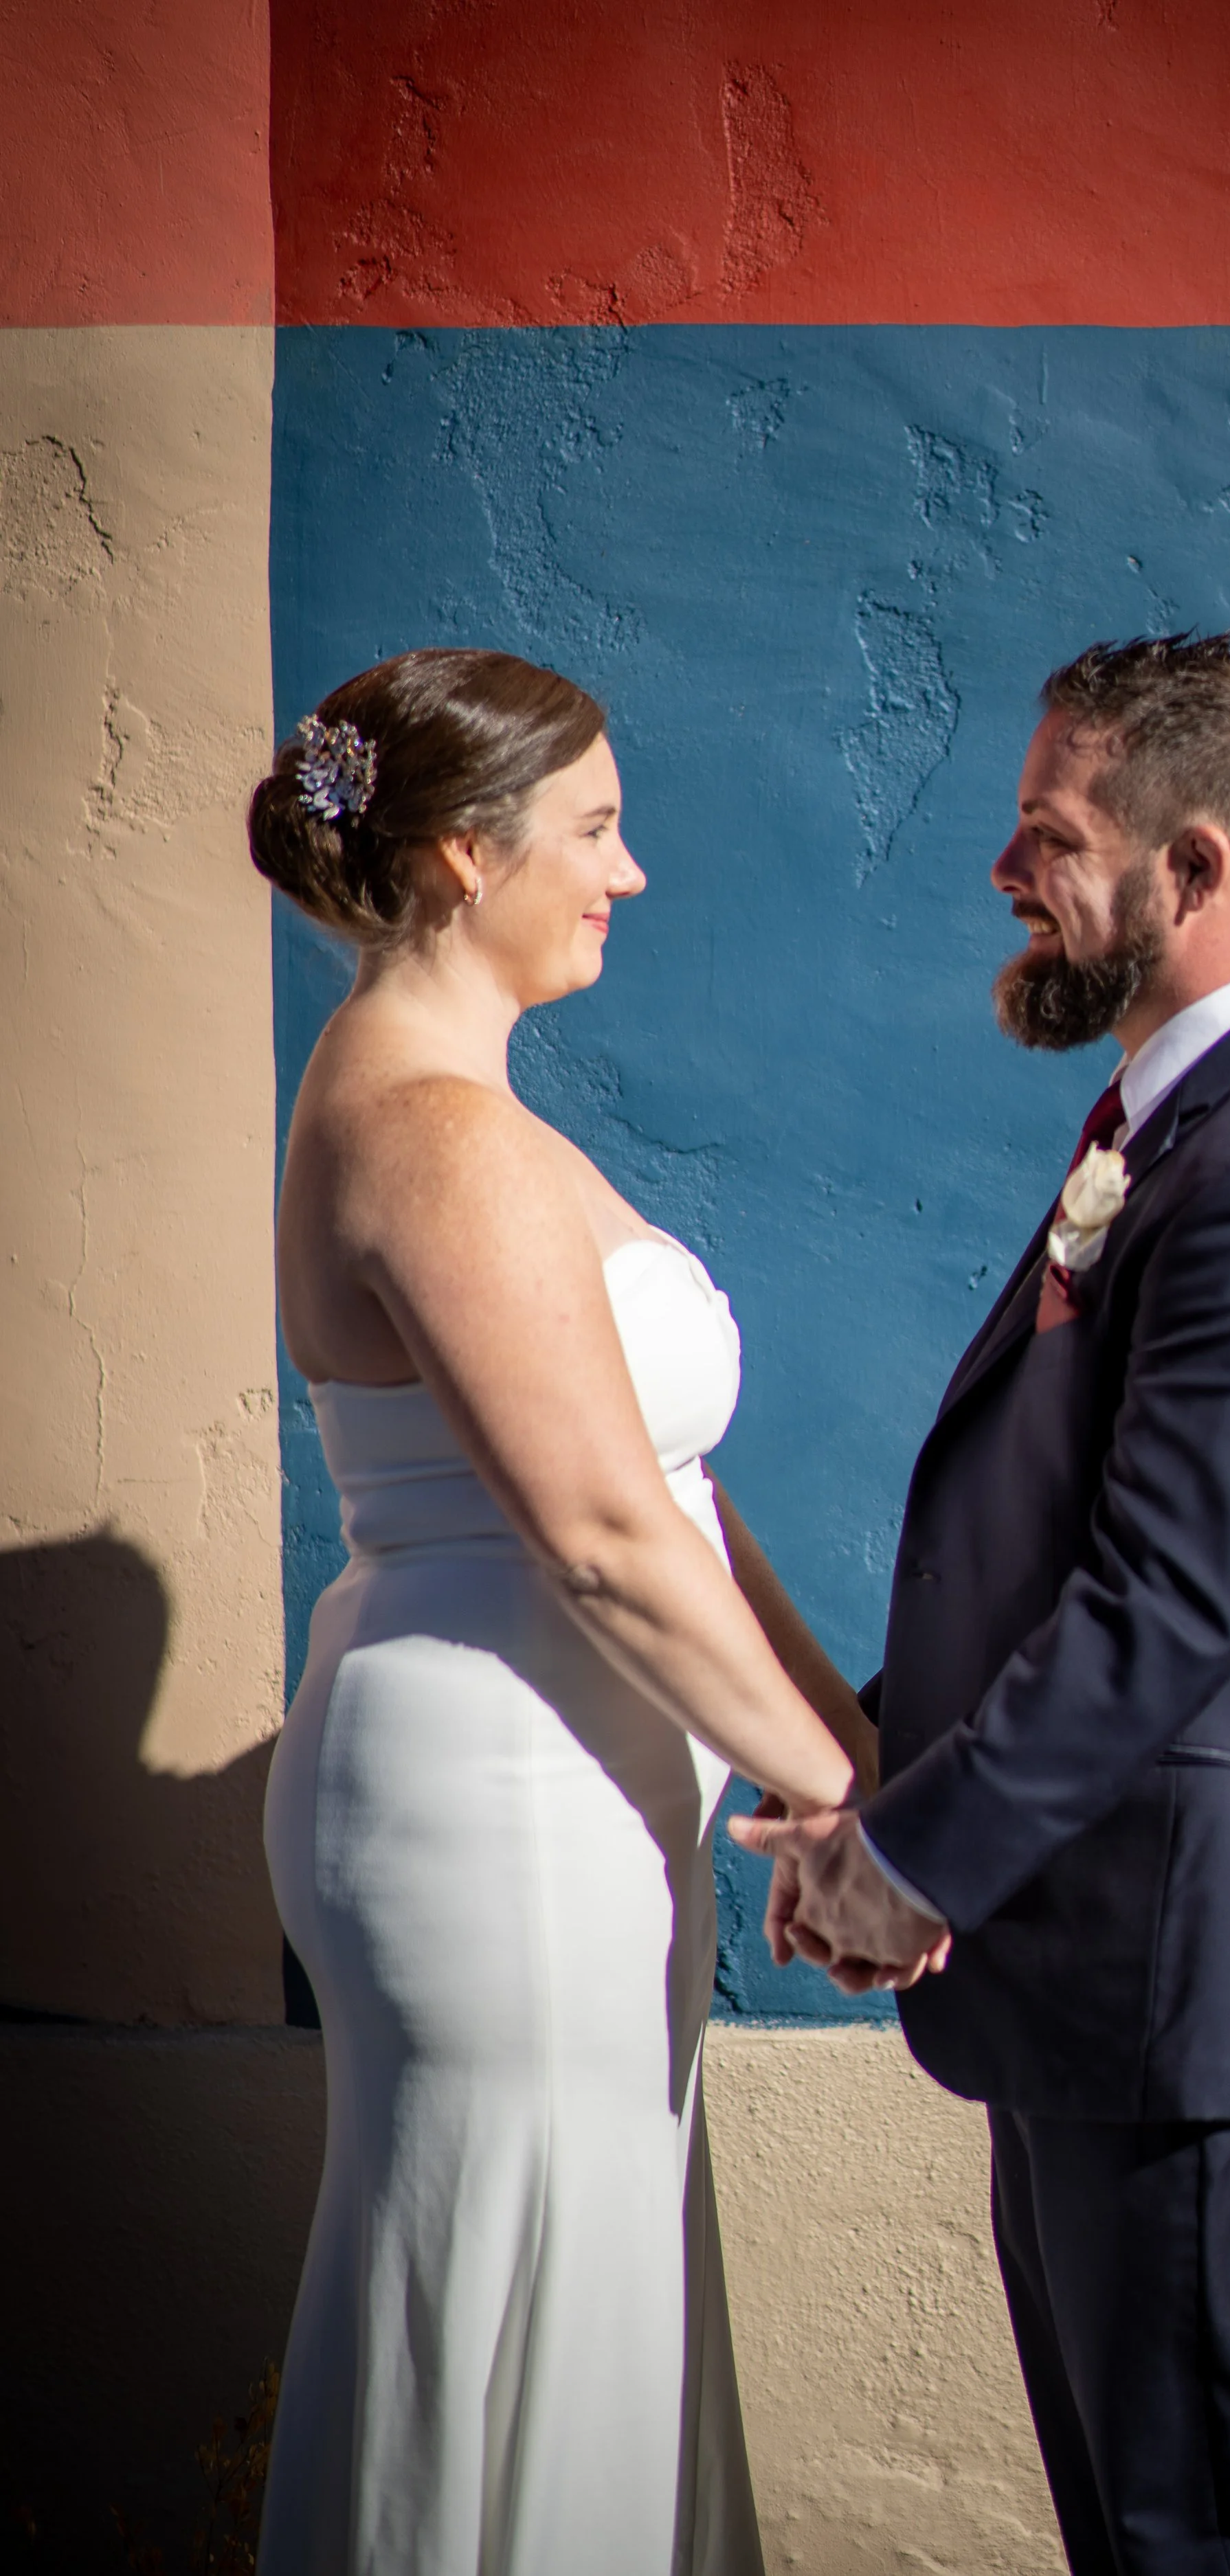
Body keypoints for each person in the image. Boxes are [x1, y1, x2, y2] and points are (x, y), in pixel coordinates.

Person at [734, 632, 1230, 2574]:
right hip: (1101, 1956)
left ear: (1193, 867)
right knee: (1144, 2527)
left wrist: (918, 1858)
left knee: (1205, 2527)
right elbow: (1063, 1546)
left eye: (1047, 834)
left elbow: (1166, 1600)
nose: (1002, 870)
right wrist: (881, 1798)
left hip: (1177, 1971)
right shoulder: (1182, 1125)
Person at [250, 648, 872, 2576]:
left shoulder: (473, 1111)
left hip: (573, 1785)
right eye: (594, 830)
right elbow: (598, 1529)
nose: (631, 872)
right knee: (521, 2293)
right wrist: (857, 1818)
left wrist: (849, 1744)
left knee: (593, 2289)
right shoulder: (430, 1131)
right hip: (499, 1806)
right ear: (460, 855)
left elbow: (671, 1485)